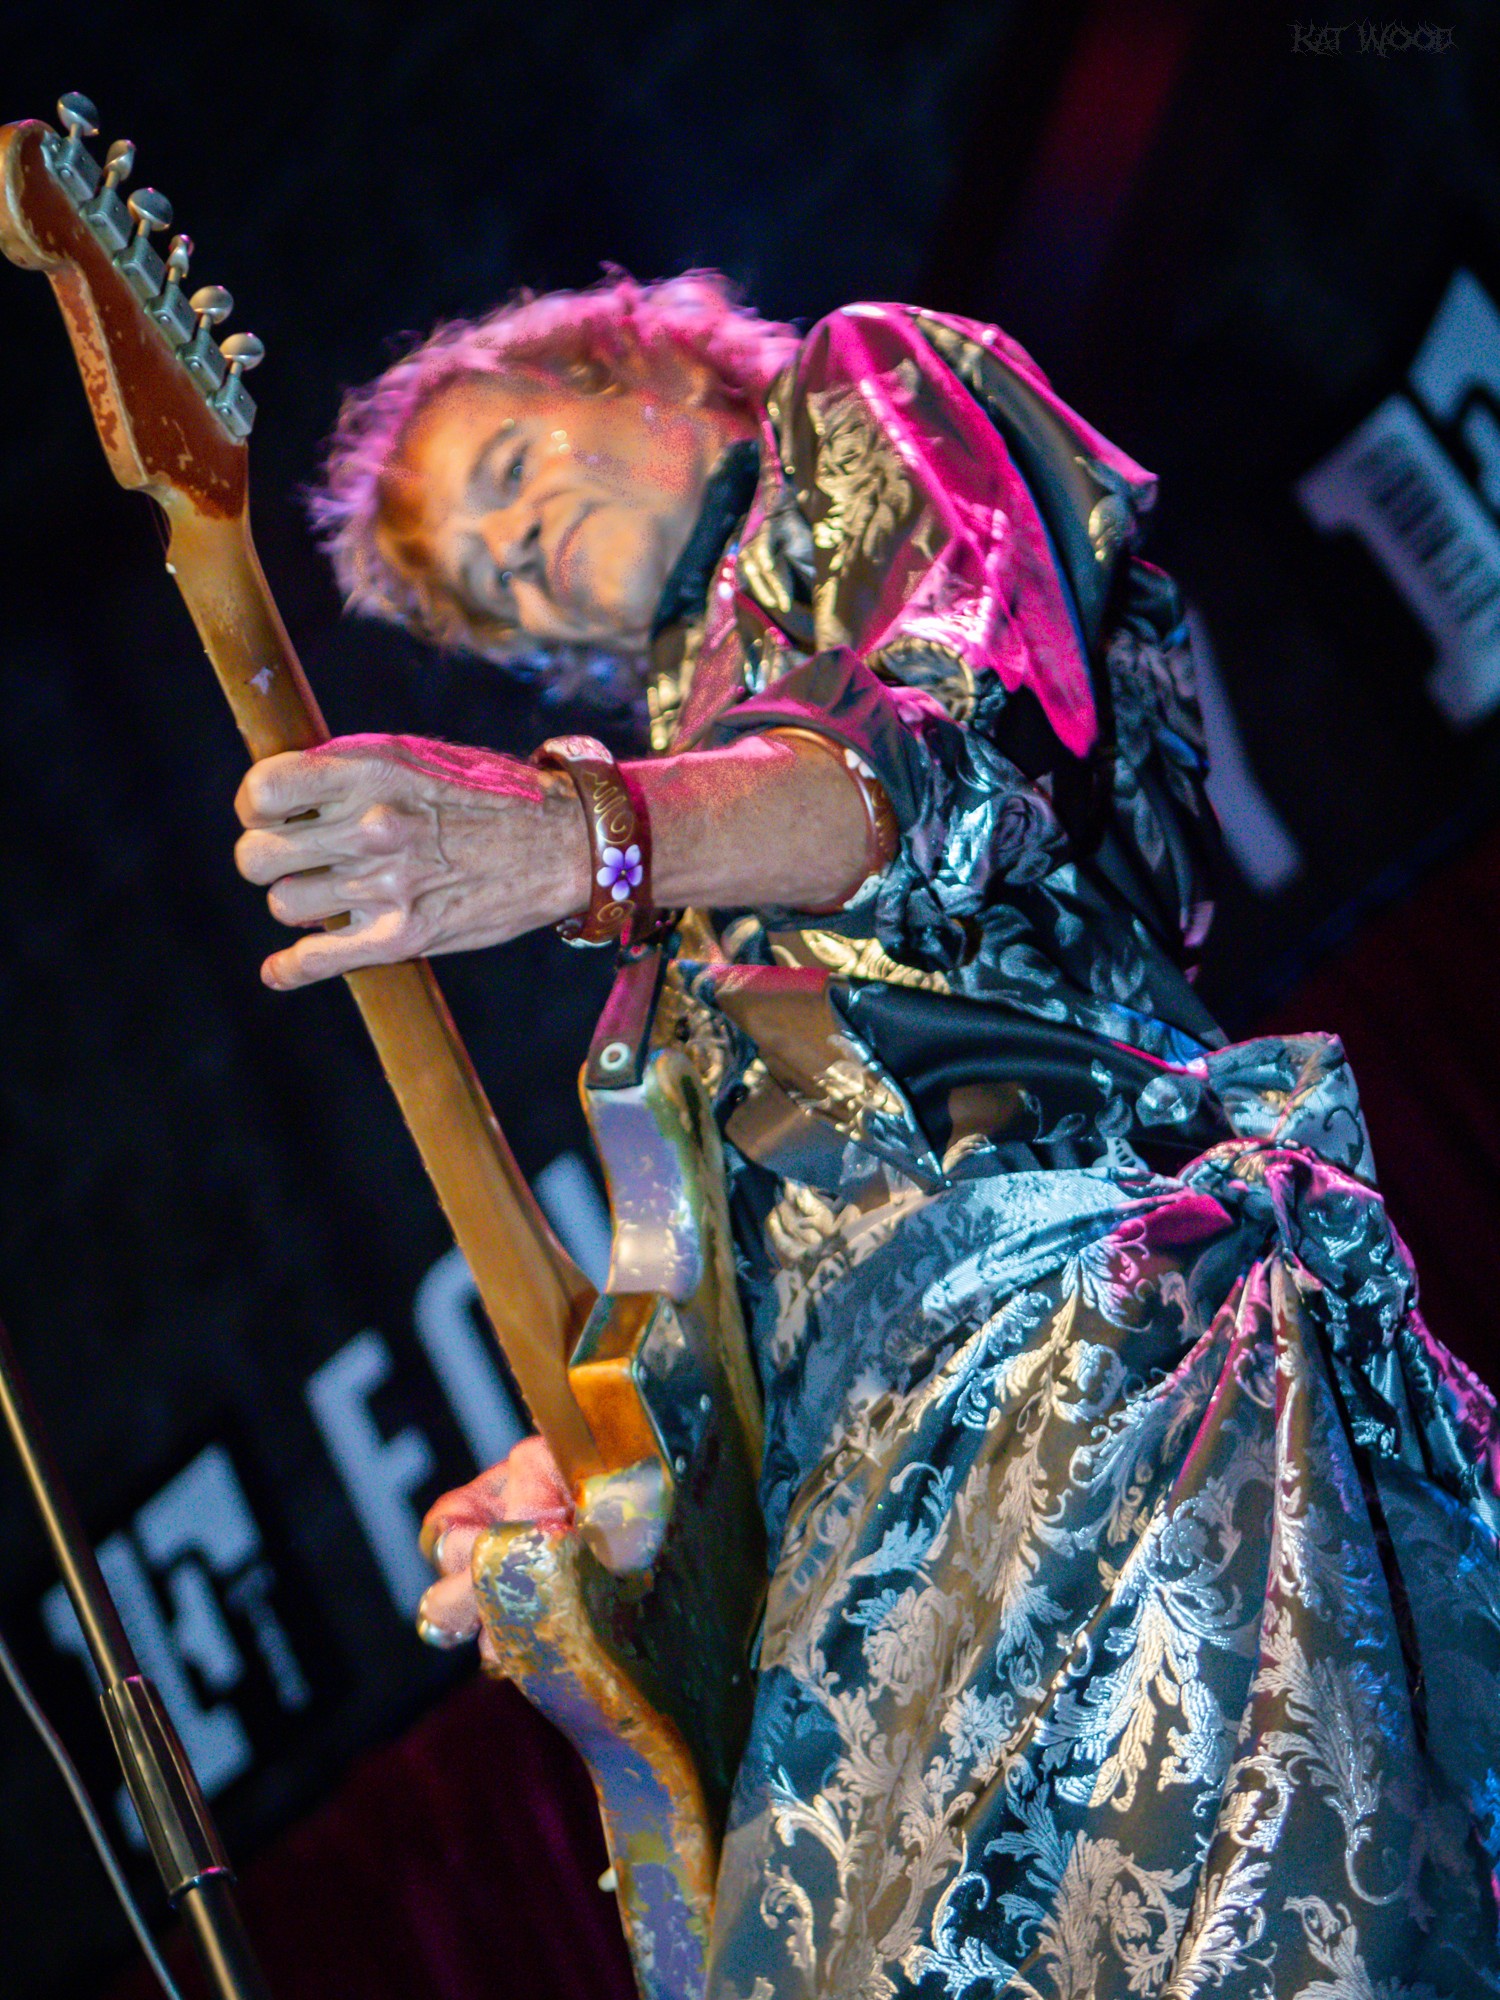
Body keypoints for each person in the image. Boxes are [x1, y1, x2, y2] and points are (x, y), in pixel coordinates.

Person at [233, 274, 1500, 1997]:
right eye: (486, 581)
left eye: (513, 469)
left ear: (647, 370)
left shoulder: (854, 395)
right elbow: (767, 1248)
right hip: (849, 1543)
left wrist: (583, 840)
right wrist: (613, 1457)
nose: (518, 552)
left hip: (1074, 1339)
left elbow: (955, 753)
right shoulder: (680, 842)